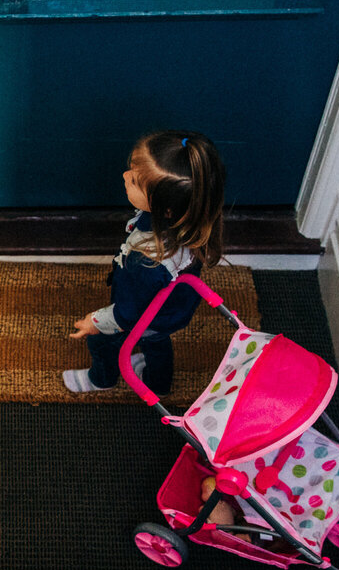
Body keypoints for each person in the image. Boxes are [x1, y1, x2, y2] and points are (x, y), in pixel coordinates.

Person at [65, 130, 226, 395]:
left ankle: (101, 379)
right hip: (171, 312)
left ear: (167, 208)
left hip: (149, 314)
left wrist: (95, 322)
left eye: (136, 182)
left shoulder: (145, 263)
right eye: (131, 169)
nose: (125, 176)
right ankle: (158, 384)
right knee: (157, 342)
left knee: (101, 342)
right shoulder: (188, 223)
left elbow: (128, 313)